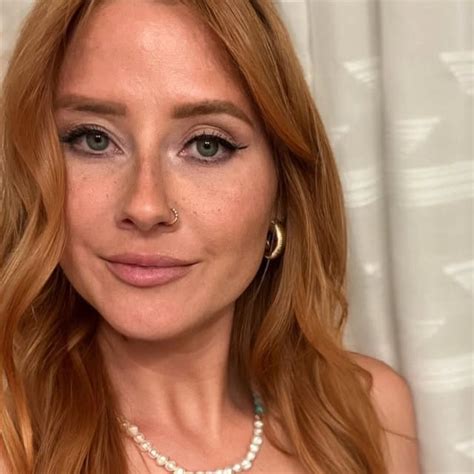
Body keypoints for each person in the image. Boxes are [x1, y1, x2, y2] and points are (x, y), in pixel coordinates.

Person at [0, 0, 421, 473]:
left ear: (282, 190)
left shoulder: (370, 414)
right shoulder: (13, 447)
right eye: (94, 139)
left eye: (207, 145)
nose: (145, 207)